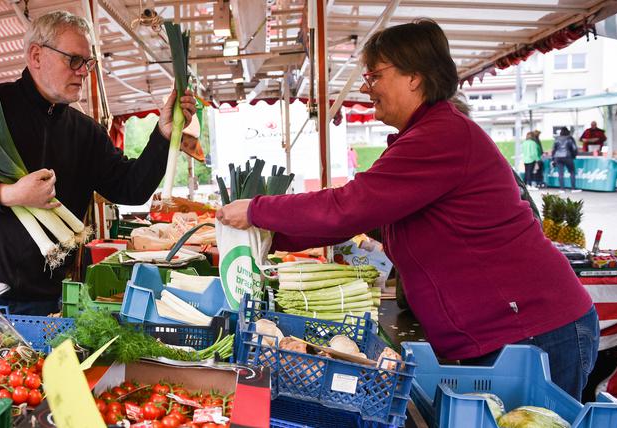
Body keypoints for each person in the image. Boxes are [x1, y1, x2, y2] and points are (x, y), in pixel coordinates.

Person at [216, 19, 597, 400]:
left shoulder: (442, 136)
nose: (367, 88)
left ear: (414, 76)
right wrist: (265, 237)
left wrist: (258, 210)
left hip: (536, 329)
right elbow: (353, 221)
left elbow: (349, 207)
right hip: (507, 331)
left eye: (375, 75)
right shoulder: (422, 136)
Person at [0, 11, 197, 315]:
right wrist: (7, 193)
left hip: (43, 299)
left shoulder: (86, 132)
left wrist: (162, 135)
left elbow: (130, 189)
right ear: (36, 55)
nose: (83, 72)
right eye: (74, 60)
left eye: (88, 63)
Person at [552, 128, 580, 193]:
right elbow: (574, 148)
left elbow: (553, 149)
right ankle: (573, 188)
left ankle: (562, 189)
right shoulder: (570, 138)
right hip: (567, 156)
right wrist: (574, 155)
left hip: (558, 157)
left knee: (560, 173)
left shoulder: (557, 139)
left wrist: (553, 158)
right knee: (572, 172)